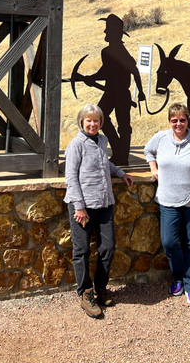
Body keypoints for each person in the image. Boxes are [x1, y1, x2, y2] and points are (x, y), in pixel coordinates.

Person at [65, 104, 134, 318]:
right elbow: (71, 177)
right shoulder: (76, 144)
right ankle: (85, 293)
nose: (93, 124)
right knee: (82, 250)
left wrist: (121, 173)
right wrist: (79, 207)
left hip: (104, 203)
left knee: (108, 247)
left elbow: (105, 165)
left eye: (96, 121)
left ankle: (100, 287)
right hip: (83, 207)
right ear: (82, 122)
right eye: (89, 120)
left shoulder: (102, 141)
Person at [144, 103, 190, 305]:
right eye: (175, 120)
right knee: (169, 242)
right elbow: (148, 151)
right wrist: (153, 167)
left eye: (182, 119)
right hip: (167, 198)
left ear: (188, 120)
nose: (178, 123)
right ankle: (178, 277)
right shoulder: (161, 138)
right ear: (170, 121)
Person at [78, 14, 145, 166]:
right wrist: (91, 78)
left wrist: (140, 91)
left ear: (114, 33)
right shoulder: (107, 52)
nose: (106, 33)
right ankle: (118, 150)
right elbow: (106, 71)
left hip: (121, 93)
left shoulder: (119, 51)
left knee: (123, 125)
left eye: (108, 31)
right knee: (101, 118)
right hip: (110, 93)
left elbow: (134, 71)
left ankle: (122, 156)